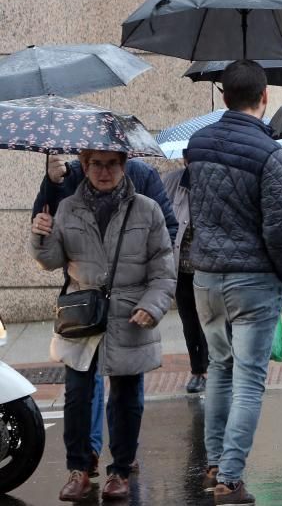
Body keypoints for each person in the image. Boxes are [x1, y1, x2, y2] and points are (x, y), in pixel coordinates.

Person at [29, 149, 176, 502]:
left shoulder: (147, 209)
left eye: (112, 164)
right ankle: (78, 470)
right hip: (84, 314)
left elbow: (163, 270)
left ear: (124, 167)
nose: (104, 172)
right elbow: (49, 261)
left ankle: (120, 471)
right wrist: (40, 234)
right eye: (96, 164)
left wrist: (152, 306)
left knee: (126, 398)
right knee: (78, 394)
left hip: (130, 315)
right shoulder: (68, 207)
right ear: (85, 165)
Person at [186, 60, 282, 505]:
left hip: (207, 277)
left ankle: (215, 463)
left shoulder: (197, 145)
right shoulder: (269, 152)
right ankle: (230, 479)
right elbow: (279, 226)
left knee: (219, 368)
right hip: (253, 279)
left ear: (224, 96)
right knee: (251, 380)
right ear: (265, 96)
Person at [163, 154, 209, 394]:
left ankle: (216, 367)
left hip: (208, 267)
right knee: (189, 320)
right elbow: (160, 218)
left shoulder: (214, 182)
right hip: (181, 268)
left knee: (210, 321)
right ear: (185, 160)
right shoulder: (171, 182)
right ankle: (198, 370)